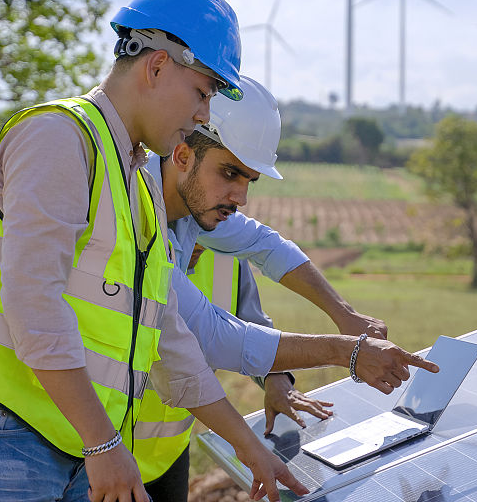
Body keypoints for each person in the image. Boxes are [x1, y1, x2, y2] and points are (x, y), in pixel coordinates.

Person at [0, 0, 428, 502]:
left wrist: (249, 447)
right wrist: (103, 442)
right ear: (156, 67)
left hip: (64, 437)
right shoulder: (59, 137)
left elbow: (170, 339)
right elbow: (33, 305)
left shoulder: (136, 188)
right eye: (203, 93)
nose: (204, 114)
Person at [136, 76, 390, 500]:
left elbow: (265, 246)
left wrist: (344, 316)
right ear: (182, 155)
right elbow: (211, 335)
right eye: (229, 172)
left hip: (165, 449)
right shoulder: (136, 218)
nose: (241, 197)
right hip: (95, 448)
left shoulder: (195, 212)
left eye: (249, 180)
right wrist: (346, 351)